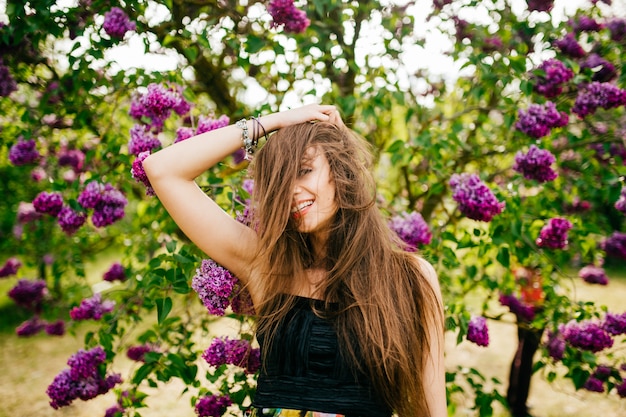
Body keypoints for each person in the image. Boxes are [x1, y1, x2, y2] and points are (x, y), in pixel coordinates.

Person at [143, 104, 446, 417]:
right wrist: (277, 121)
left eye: (304, 170)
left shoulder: (411, 278)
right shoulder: (267, 268)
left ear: (341, 172)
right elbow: (163, 171)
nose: (291, 191)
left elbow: (431, 410)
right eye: (279, 182)